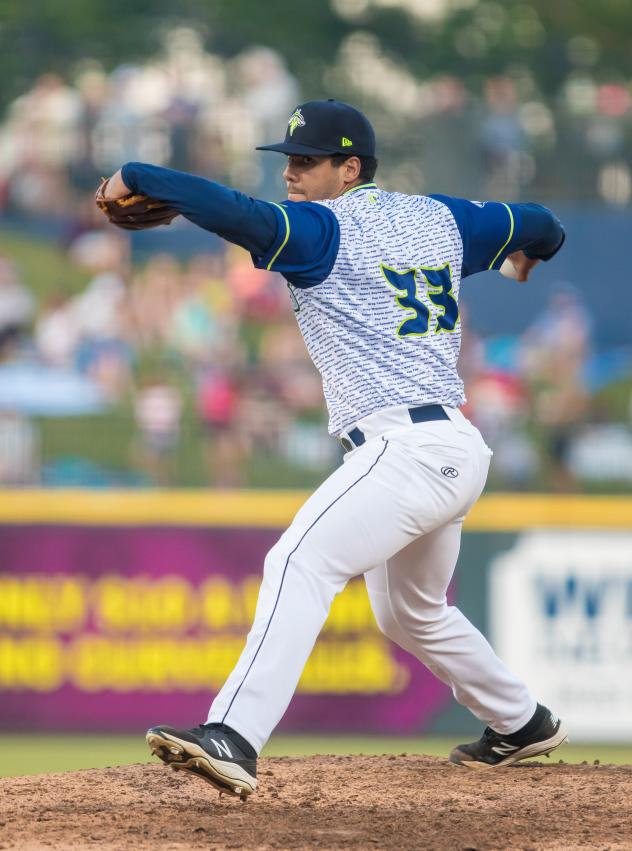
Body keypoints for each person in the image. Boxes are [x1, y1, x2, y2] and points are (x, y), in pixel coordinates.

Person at [99, 99, 567, 799]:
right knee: (410, 611)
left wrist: (138, 172)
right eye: (286, 161)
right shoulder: (445, 218)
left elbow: (233, 211)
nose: (291, 174)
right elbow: (544, 223)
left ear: (351, 168)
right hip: (453, 448)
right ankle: (521, 719)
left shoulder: (323, 230)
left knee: (297, 559)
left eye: (307, 162)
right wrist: (525, 256)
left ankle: (233, 733)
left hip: (403, 448)